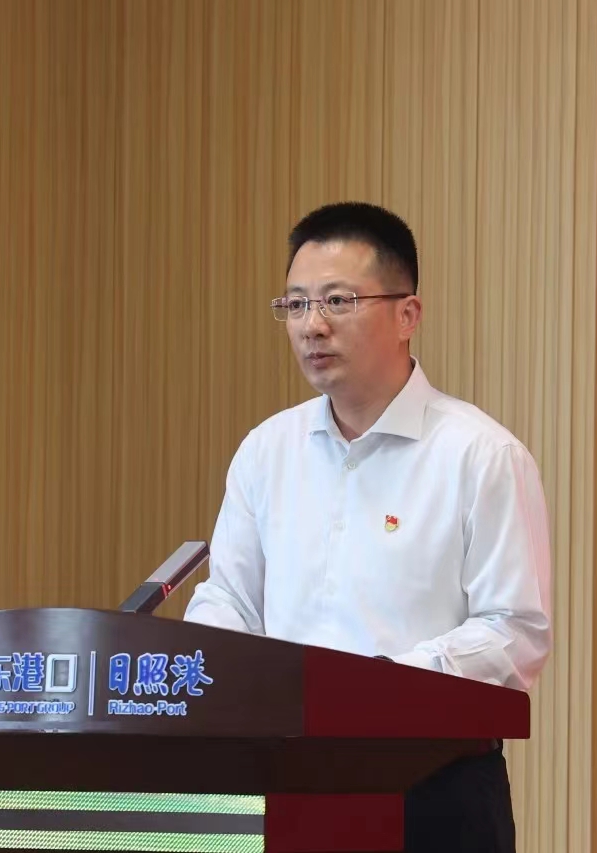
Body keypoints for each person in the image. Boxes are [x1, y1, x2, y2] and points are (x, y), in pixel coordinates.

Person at [183, 201, 553, 853]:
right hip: (283, 777)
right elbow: (230, 597)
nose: (312, 325)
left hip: (432, 788)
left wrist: (380, 687)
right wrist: (216, 667)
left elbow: (515, 631)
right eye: (296, 305)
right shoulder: (267, 450)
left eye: (338, 301)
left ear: (408, 314)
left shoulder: (480, 455)